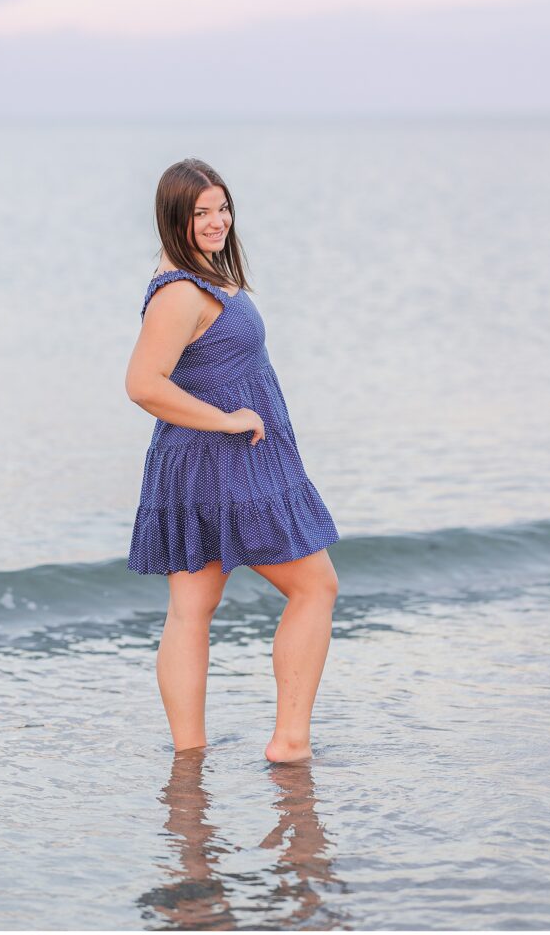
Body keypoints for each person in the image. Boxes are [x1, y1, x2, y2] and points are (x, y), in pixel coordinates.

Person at [125, 157, 340, 763]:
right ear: (175, 218)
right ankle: (290, 742)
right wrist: (228, 419)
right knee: (315, 587)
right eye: (201, 213)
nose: (217, 221)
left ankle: (189, 759)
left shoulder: (199, 276)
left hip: (193, 464)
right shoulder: (180, 291)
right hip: (226, 462)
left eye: (222, 208)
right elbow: (143, 383)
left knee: (191, 611)